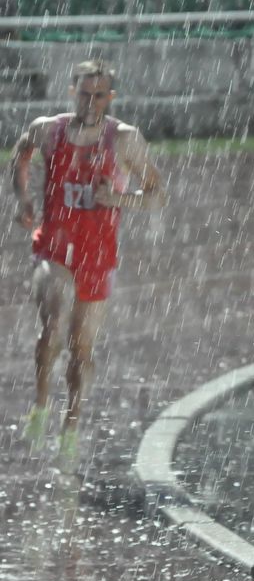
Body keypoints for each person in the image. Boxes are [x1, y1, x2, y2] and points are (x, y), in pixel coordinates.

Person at [10, 58, 167, 465]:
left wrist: (118, 199)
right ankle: (41, 403)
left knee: (82, 348)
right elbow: (20, 155)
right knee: (54, 319)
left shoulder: (125, 140)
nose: (91, 101)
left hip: (97, 255)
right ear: (71, 91)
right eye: (84, 93)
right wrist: (24, 199)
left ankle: (71, 424)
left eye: (100, 95)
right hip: (55, 247)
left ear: (110, 97)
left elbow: (157, 194)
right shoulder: (48, 130)